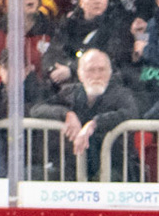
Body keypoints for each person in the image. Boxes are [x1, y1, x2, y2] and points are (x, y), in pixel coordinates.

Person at [56, 46, 137, 179]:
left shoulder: (121, 93)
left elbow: (131, 113)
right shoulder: (70, 92)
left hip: (115, 168)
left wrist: (94, 123)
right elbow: (38, 109)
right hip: (74, 166)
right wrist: (67, 114)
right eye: (91, 70)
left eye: (102, 70)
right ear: (80, 74)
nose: (97, 75)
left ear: (110, 73)